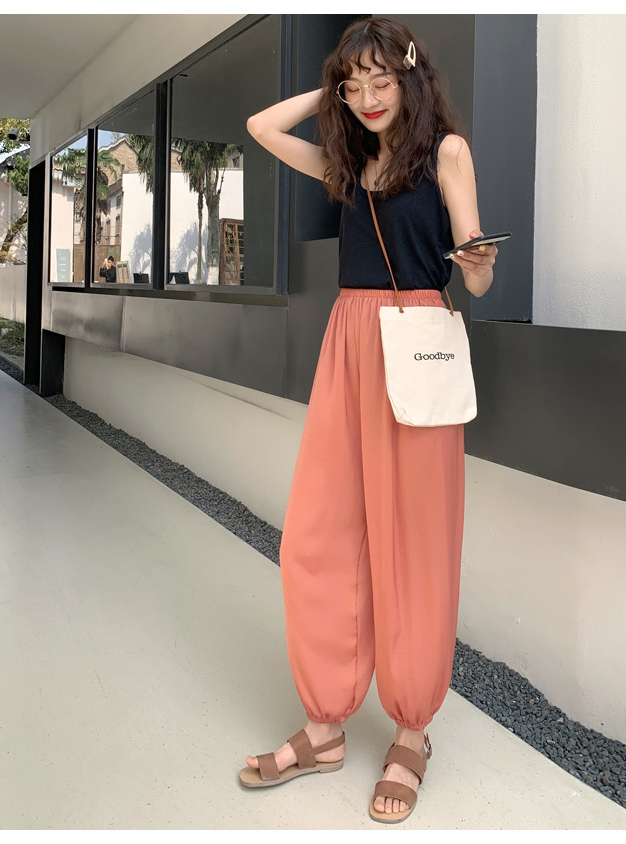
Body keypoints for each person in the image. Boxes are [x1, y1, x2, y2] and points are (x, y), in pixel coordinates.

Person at [240, 17, 497, 823]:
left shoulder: (447, 154)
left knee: (414, 540)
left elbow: (477, 281)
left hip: (415, 345)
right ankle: (325, 725)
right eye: (353, 87)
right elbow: (260, 128)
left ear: (412, 77)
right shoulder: (348, 165)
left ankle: (412, 731)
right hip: (348, 346)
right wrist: (334, 86)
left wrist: (478, 262)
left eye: (381, 81)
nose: (368, 97)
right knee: (321, 533)